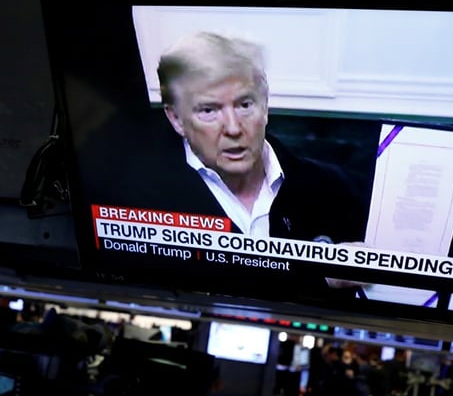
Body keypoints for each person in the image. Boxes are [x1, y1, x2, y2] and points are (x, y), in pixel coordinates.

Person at [157, 31, 369, 244]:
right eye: (209, 110)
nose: (233, 128)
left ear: (265, 105)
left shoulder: (338, 191)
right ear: (176, 119)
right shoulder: (144, 196)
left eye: (245, 105)